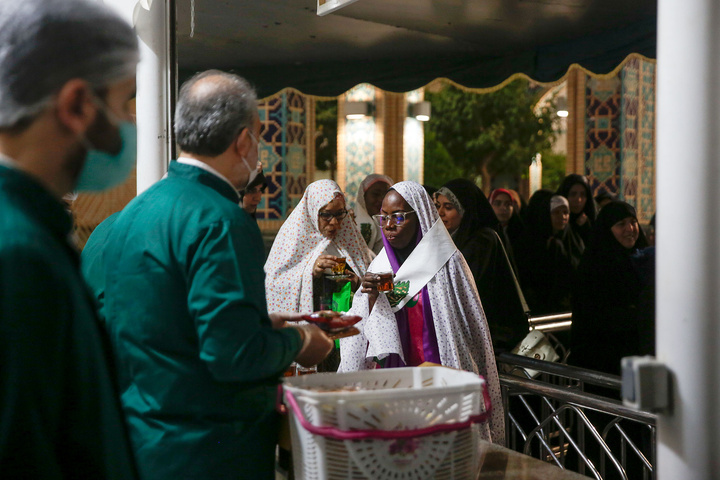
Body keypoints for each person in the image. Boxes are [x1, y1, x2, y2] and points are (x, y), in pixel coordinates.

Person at [97, 71, 333, 480]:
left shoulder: (135, 212)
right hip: (208, 449)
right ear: (243, 141)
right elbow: (233, 355)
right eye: (258, 139)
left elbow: (159, 326)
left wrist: (259, 325)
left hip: (140, 440)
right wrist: (300, 340)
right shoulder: (221, 219)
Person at [0, 1, 139, 477]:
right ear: (78, 105)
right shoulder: (19, 253)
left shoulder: (33, 231)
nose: (130, 124)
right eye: (124, 103)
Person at [339, 181, 505, 445]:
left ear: (422, 216)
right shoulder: (380, 263)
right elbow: (364, 332)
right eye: (383, 217)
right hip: (394, 381)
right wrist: (370, 297)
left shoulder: (448, 262)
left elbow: (468, 329)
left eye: (399, 217)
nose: (389, 226)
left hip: (438, 378)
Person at [434, 179, 528, 351]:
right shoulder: (449, 238)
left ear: (465, 210)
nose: (440, 212)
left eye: (448, 207)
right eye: (437, 205)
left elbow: (468, 286)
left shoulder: (482, 241)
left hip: (485, 336)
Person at [265, 179, 372, 314]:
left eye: (339, 214)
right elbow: (273, 285)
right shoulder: (292, 238)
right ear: (312, 211)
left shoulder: (349, 239)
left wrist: (356, 282)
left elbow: (367, 275)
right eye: (326, 215)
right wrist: (311, 272)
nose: (334, 222)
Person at [571, 201, 651, 375]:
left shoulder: (643, 260)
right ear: (607, 229)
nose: (630, 229)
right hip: (604, 360)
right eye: (621, 224)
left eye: (633, 221)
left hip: (639, 356)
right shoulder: (594, 266)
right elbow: (593, 315)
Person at [517, 191, 584, 315]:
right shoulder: (533, 242)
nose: (562, 217)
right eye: (556, 212)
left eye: (565, 212)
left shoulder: (573, 239)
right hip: (542, 309)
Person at [354, 173, 393, 254]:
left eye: (386, 195)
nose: (381, 199)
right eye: (376, 194)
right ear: (363, 196)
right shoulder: (354, 223)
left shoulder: (392, 224)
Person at [489, 188, 524, 279]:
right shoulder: (485, 235)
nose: (503, 208)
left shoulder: (522, 234)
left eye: (508, 204)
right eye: (497, 203)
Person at [556, 173, 597, 244]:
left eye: (583, 195)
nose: (578, 200)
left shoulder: (592, 223)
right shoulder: (555, 222)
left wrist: (586, 228)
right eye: (573, 194)